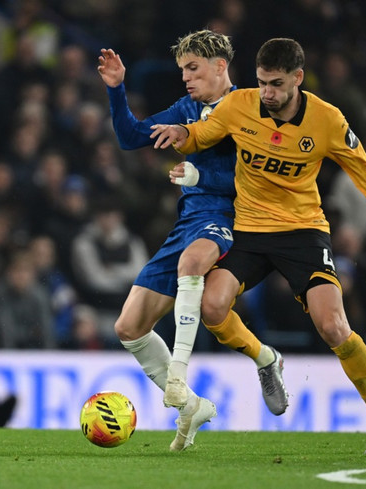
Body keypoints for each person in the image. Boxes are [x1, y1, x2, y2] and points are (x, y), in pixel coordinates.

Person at [151, 37, 366, 454]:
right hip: (249, 229)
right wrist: (182, 133)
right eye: (262, 82)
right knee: (211, 307)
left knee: (333, 326)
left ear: (298, 78)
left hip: (303, 232)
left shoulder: (327, 119)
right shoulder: (238, 105)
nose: (266, 93)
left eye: (276, 84)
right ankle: (266, 359)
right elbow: (201, 135)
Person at [98, 30, 241, 451]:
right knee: (128, 327)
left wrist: (201, 175)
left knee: (191, 265)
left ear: (220, 66)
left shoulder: (248, 107)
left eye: (193, 68)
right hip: (189, 221)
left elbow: (258, 176)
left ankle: (178, 374)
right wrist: (117, 89)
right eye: (182, 70)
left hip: (230, 216)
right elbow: (131, 138)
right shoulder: (187, 108)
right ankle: (192, 406)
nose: (185, 78)